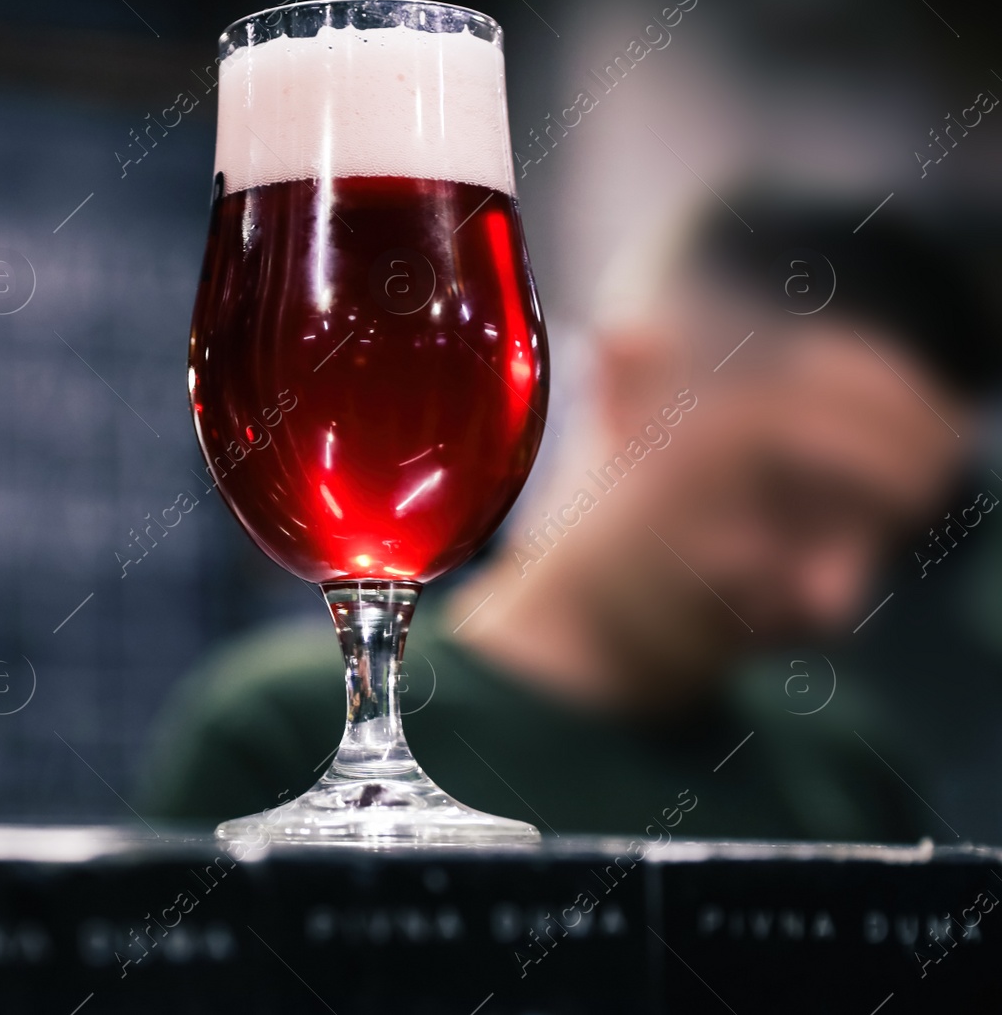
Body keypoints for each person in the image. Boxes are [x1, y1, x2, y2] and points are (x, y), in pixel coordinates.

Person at [137, 188, 1000, 841]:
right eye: (795, 498)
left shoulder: (847, 772)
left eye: (888, 538)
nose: (836, 593)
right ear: (630, 382)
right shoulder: (281, 739)